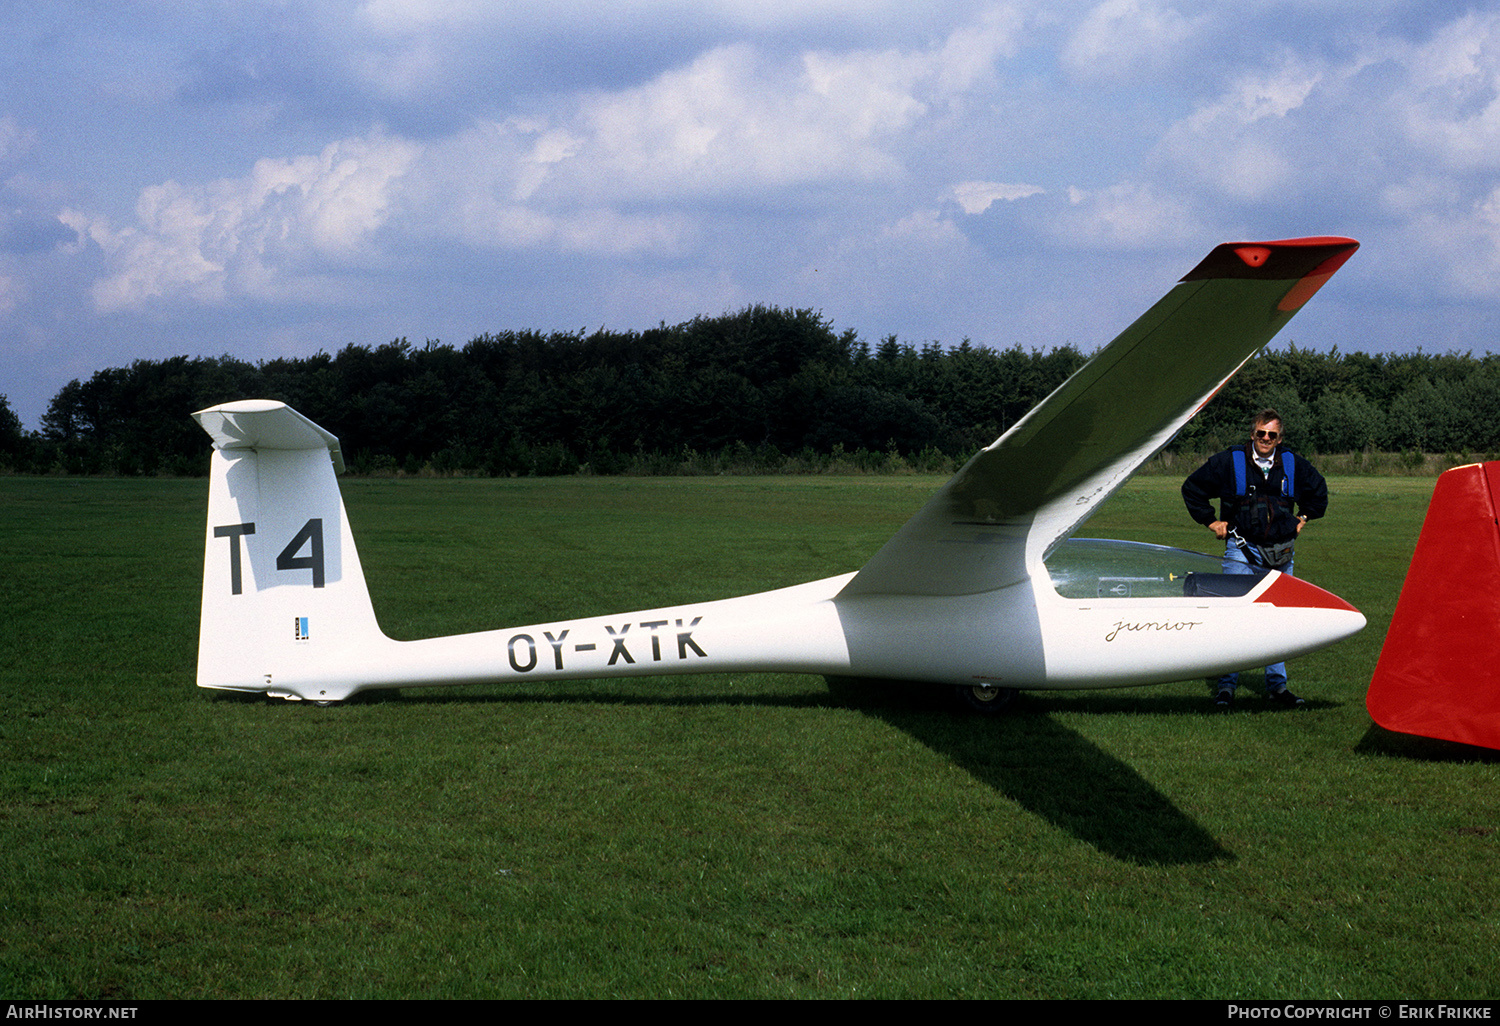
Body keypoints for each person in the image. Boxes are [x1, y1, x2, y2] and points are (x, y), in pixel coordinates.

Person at [1181, 409, 1328, 711]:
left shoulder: (1292, 463)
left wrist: (1302, 517)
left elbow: (1319, 492)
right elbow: (1192, 489)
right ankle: (1226, 687)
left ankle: (1277, 687)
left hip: (1282, 551)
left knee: (1277, 619)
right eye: (1260, 433)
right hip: (1241, 548)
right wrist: (1212, 522)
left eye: (1271, 435)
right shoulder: (1229, 462)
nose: (1265, 439)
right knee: (1234, 615)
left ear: (1279, 438)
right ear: (1252, 434)